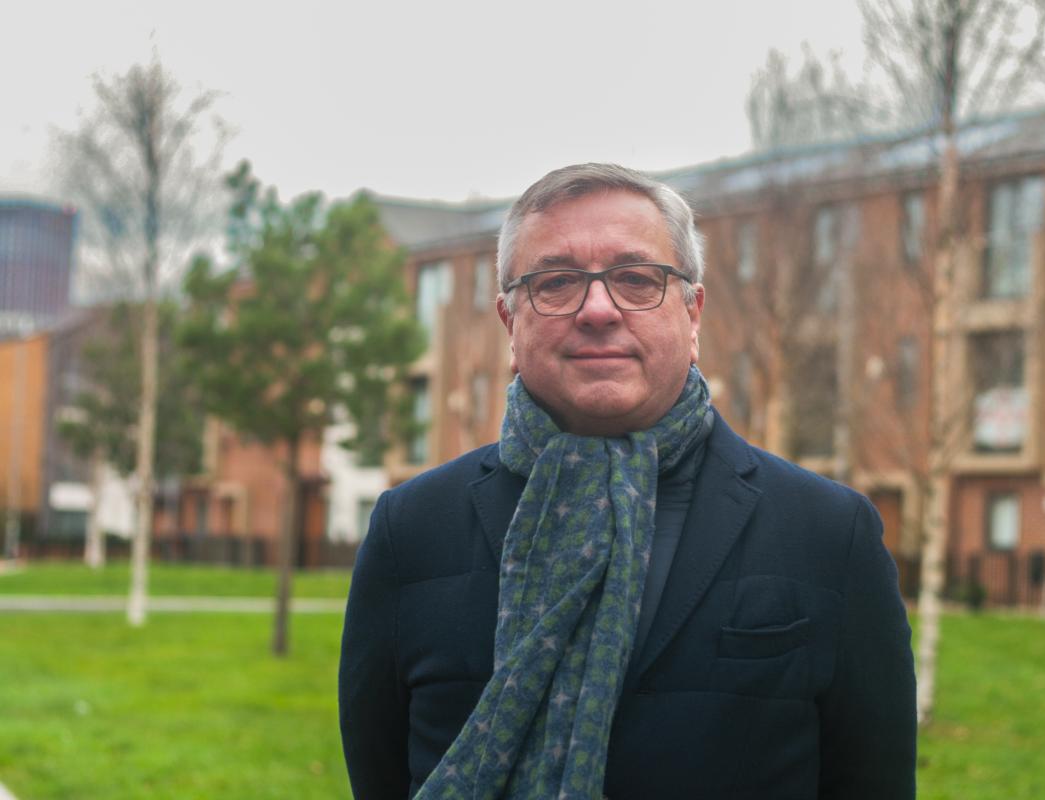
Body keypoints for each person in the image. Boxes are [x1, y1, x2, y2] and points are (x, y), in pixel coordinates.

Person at [339, 163, 916, 799]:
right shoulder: (413, 530)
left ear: (693, 316)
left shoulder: (829, 534)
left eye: (636, 279)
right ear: (509, 323)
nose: (597, 309)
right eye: (556, 283)